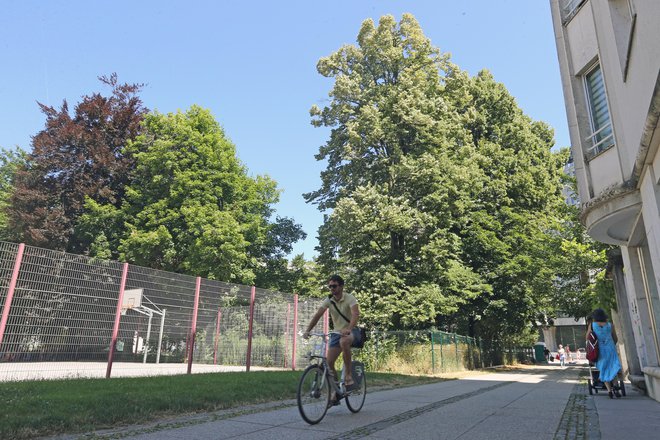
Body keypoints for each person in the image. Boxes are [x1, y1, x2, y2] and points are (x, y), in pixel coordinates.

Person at [303, 275, 362, 404]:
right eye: (329, 286)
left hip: (352, 331)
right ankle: (336, 390)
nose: (331, 289)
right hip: (336, 333)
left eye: (334, 286)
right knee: (329, 363)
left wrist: (349, 329)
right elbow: (318, 315)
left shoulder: (350, 298)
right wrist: (308, 330)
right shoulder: (329, 300)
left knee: (344, 341)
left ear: (341, 286)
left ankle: (348, 375)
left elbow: (356, 314)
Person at [587, 308, 623, 398]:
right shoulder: (610, 325)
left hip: (599, 350)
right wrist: (611, 345)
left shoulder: (592, 325)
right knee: (613, 367)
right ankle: (615, 386)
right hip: (610, 349)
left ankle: (609, 391)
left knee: (603, 369)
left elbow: (588, 337)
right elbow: (615, 338)